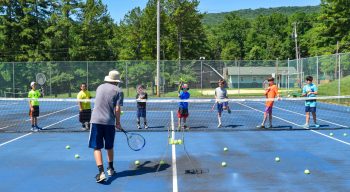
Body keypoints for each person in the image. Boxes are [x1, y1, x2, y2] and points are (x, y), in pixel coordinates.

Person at [89, 70, 124, 183]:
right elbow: (117, 109)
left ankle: (101, 172)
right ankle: (111, 168)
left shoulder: (99, 87)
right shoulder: (119, 91)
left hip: (96, 121)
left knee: (97, 147)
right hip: (109, 122)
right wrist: (118, 122)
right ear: (117, 81)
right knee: (109, 146)